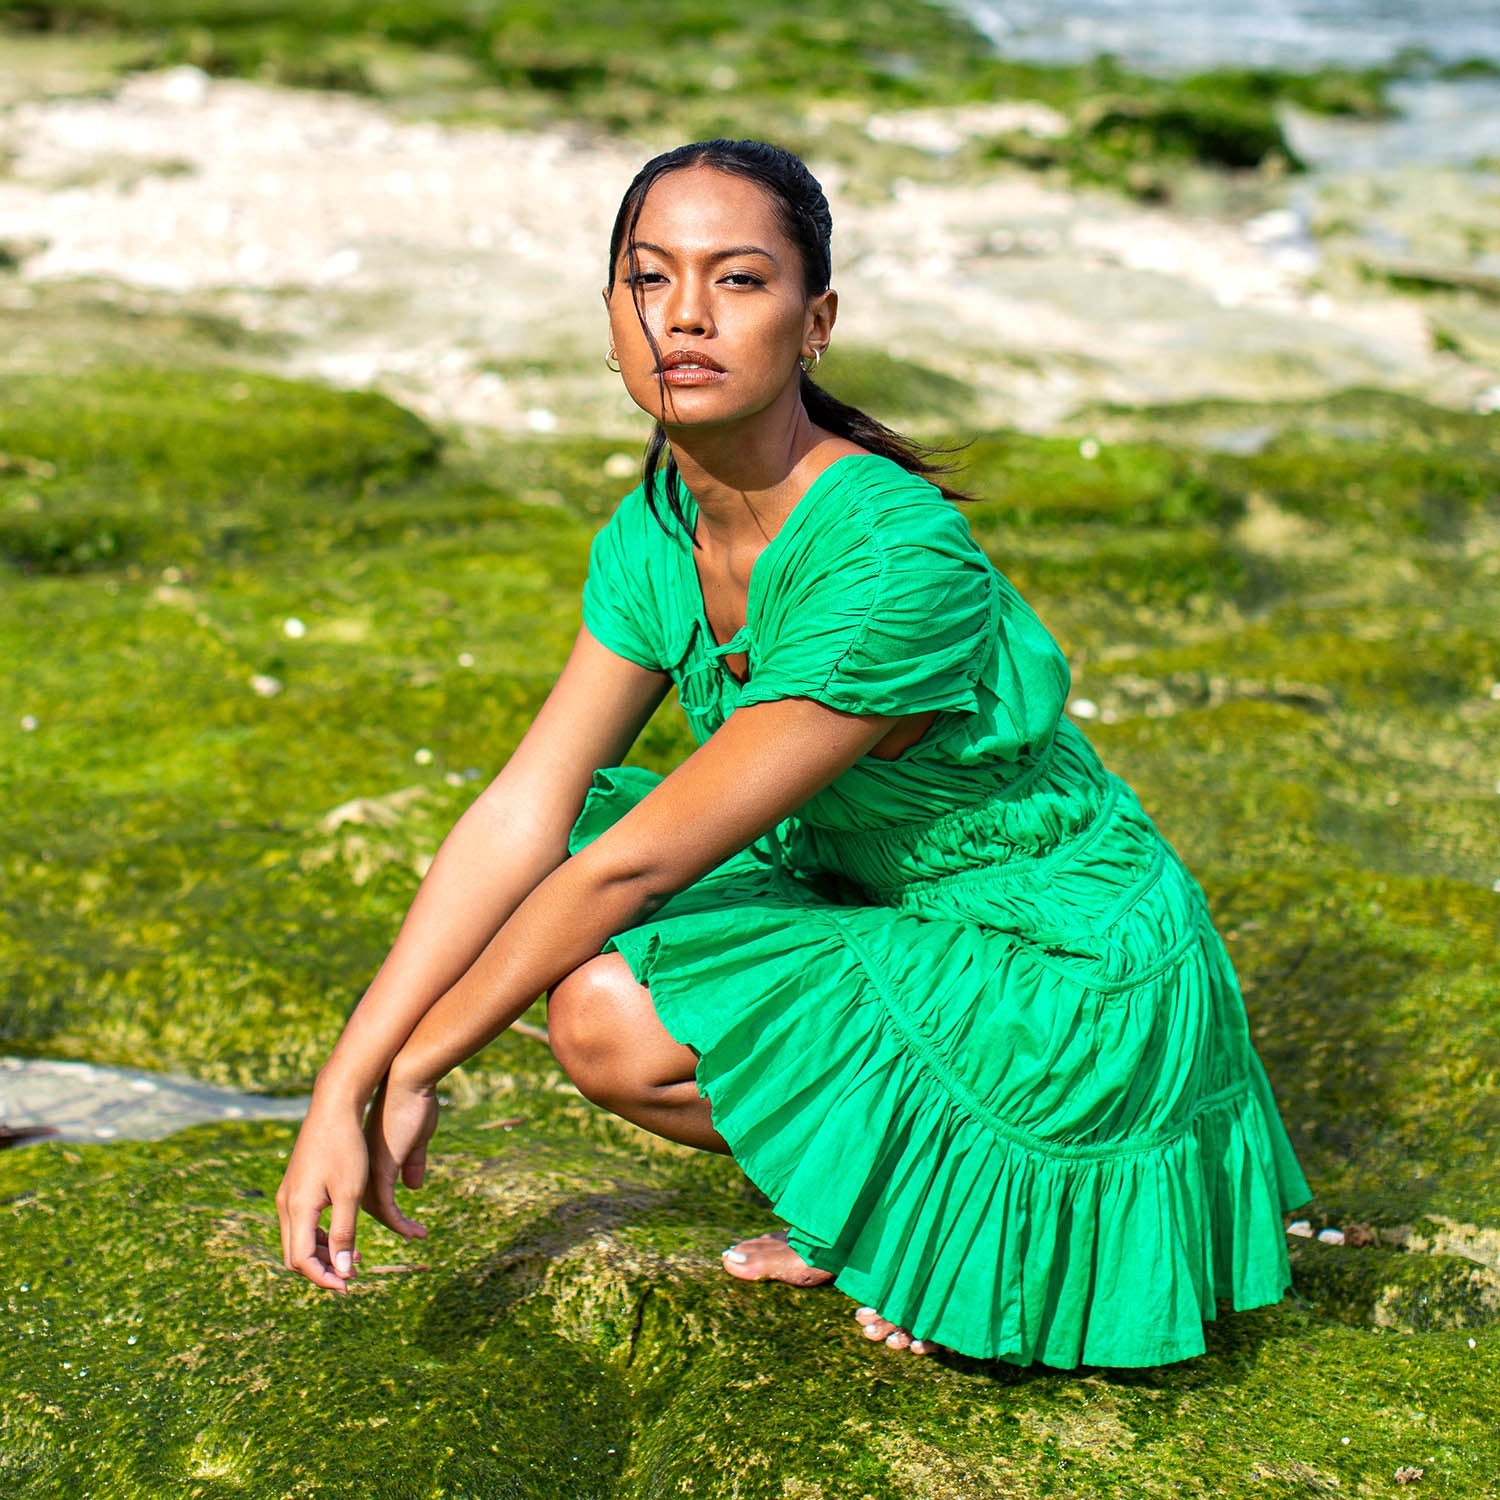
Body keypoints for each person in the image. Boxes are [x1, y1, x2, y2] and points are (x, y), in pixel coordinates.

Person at [276, 137, 1310, 1368]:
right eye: (648, 280)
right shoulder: (656, 531)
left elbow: (631, 877)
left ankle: (929, 1220)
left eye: (741, 281)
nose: (686, 318)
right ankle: (888, 1192)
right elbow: (526, 807)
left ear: (816, 321)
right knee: (599, 1008)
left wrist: (415, 1069)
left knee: (606, 977)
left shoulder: (889, 560)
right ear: (607, 315)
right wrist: (346, 1076)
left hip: (1066, 969)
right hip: (882, 900)